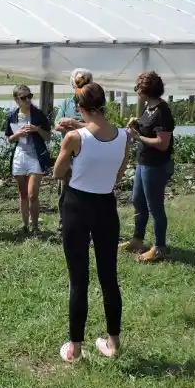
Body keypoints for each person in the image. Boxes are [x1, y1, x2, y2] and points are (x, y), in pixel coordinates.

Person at [52, 78, 131, 363]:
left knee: (79, 280)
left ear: (80, 107)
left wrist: (76, 156)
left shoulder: (75, 138)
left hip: (77, 206)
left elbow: (58, 172)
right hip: (106, 206)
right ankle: (113, 343)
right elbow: (119, 174)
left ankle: (74, 348)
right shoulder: (123, 136)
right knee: (109, 277)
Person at [122, 71, 176, 263]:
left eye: (138, 87)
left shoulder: (162, 111)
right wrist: (136, 124)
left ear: (147, 90)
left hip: (156, 165)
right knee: (138, 200)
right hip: (143, 163)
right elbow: (147, 129)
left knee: (155, 207)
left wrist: (138, 137)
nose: (136, 91)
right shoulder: (149, 108)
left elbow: (162, 143)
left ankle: (159, 247)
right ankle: (138, 239)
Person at [4, 85, 52, 235]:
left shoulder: (38, 114)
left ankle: (35, 227)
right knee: (23, 194)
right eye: (23, 98)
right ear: (16, 100)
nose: (27, 100)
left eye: (29, 96)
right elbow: (8, 139)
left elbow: (49, 136)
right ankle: (24, 225)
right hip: (20, 156)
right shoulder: (12, 115)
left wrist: (37, 129)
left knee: (32, 194)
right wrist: (17, 135)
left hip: (35, 156)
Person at [54, 68, 94, 238]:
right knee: (65, 191)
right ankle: (64, 223)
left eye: (85, 83)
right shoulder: (66, 103)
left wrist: (72, 123)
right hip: (69, 155)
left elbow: (98, 127)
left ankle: (87, 224)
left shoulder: (95, 104)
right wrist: (79, 125)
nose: (81, 86)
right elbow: (57, 125)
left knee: (89, 191)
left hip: (89, 155)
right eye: (78, 83)